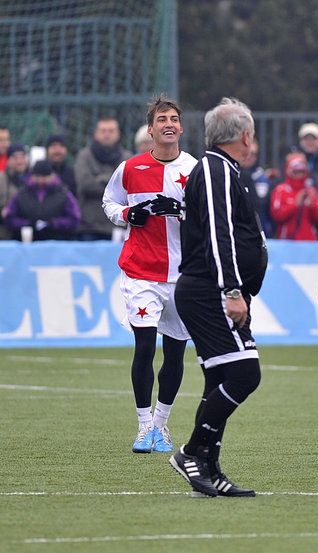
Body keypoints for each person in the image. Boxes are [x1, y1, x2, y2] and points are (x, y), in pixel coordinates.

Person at [170, 97, 267, 497]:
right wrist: (231, 289)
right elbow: (218, 234)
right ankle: (192, 452)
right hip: (209, 290)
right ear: (244, 135)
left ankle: (207, 468)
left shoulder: (225, 169)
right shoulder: (213, 169)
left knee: (220, 378)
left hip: (214, 289)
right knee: (246, 374)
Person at [103, 95, 197, 454]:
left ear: (182, 127)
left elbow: (210, 215)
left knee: (175, 353)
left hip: (182, 275)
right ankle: (143, 427)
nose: (169, 124)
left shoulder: (195, 169)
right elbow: (110, 202)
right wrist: (129, 215)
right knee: (144, 347)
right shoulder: (130, 168)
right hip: (141, 272)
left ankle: (161, 424)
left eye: (174, 118)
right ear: (151, 128)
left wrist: (183, 210)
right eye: (162, 119)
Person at [75, 118, 132, 240]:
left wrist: (100, 178)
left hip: (118, 225)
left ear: (118, 134)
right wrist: (114, 182)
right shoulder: (84, 156)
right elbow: (85, 185)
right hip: (89, 226)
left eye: (111, 131)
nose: (107, 134)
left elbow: (128, 188)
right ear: (96, 134)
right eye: (103, 131)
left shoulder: (127, 158)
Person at [4, 159, 80, 241]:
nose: (40, 180)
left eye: (44, 177)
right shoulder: (21, 194)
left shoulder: (64, 194)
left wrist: (53, 224)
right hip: (28, 242)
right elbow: (9, 217)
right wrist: (27, 224)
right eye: (37, 176)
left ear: (52, 176)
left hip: (57, 243)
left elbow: (74, 219)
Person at [270, 152, 318, 240]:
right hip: (286, 242)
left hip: (309, 243)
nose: (299, 175)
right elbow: (276, 215)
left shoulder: (311, 191)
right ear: (289, 171)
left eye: (302, 172)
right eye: (296, 172)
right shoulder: (280, 190)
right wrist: (295, 204)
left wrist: (312, 205)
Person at [0, 145, 29, 239]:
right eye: (15, 157)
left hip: (28, 233)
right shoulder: (2, 179)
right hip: (5, 235)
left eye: (22, 157)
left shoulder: (34, 179)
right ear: (8, 160)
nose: (19, 161)